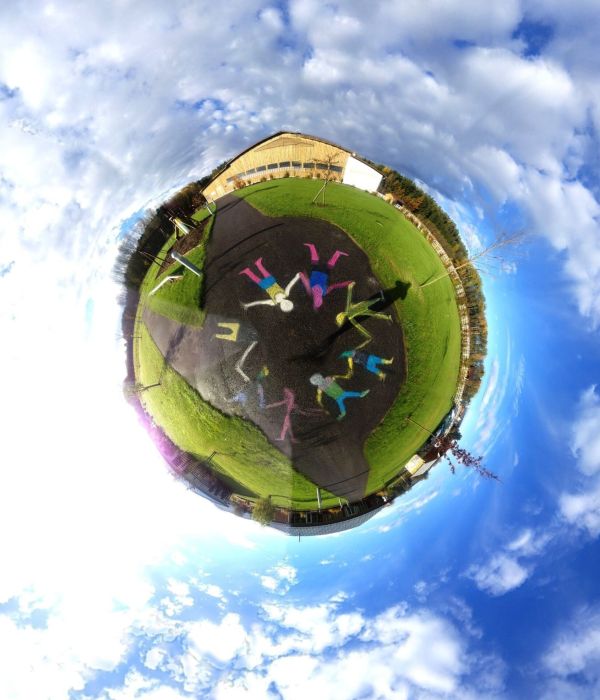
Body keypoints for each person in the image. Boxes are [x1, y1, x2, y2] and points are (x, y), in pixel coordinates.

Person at [335, 282, 393, 347]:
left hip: (363, 307)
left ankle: (383, 300)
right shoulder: (350, 318)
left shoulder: (349, 314)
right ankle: (387, 315)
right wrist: (367, 335)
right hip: (363, 310)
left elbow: (348, 300)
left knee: (373, 306)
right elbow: (359, 326)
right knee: (373, 311)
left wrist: (350, 288)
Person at [299, 243, 352, 310]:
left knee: (327, 265)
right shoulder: (311, 291)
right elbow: (305, 281)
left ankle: (337, 253)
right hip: (317, 272)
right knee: (315, 262)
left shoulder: (323, 292)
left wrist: (344, 284)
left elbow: (333, 286)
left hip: (324, 273)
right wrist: (301, 275)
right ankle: (312, 247)